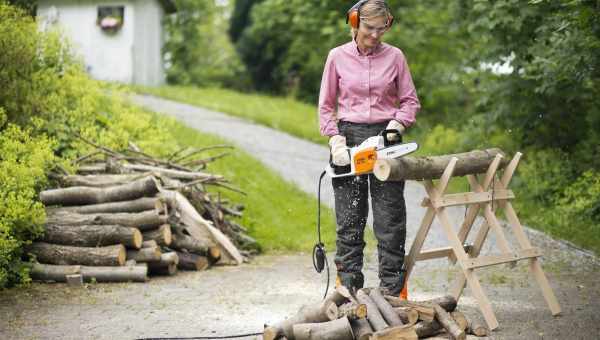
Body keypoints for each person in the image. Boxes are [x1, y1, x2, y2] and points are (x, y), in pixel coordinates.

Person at [318, 0, 420, 296]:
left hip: (384, 139)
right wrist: (335, 139)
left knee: (390, 219)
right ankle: (348, 286)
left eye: (381, 29)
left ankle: (393, 290)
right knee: (350, 218)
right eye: (369, 28)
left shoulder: (395, 57)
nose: (375, 35)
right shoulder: (337, 57)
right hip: (348, 139)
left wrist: (397, 125)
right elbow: (326, 107)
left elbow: (410, 101)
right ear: (354, 23)